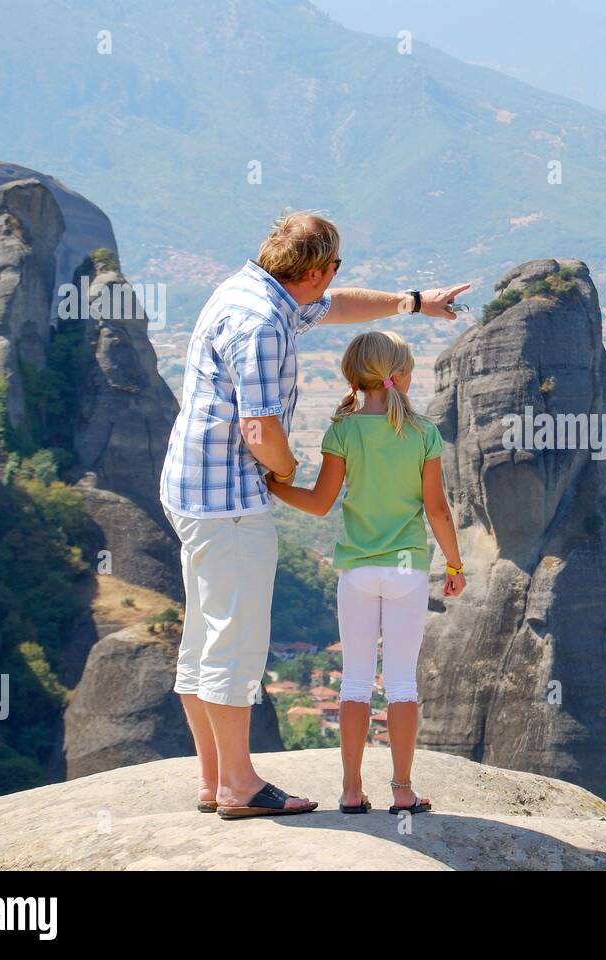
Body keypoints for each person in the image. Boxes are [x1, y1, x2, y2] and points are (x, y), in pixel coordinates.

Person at [158, 211, 468, 819]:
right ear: (320, 268)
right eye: (333, 272)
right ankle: (239, 789)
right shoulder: (262, 323)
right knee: (233, 641)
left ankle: (213, 778)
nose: (332, 284)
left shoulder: (252, 290)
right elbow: (259, 426)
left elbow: (335, 307)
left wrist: (411, 302)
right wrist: (283, 470)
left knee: (202, 634)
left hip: (191, 489)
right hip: (229, 502)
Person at [266, 329, 466, 815]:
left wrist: (273, 485)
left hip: (357, 570)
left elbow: (319, 503)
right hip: (407, 570)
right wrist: (454, 564)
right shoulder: (424, 434)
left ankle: (352, 792)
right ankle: (403, 791)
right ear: (396, 376)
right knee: (401, 683)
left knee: (355, 681)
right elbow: (437, 510)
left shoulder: (343, 431)